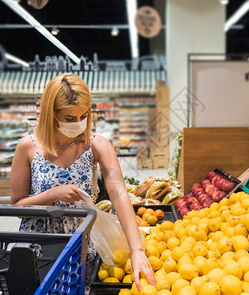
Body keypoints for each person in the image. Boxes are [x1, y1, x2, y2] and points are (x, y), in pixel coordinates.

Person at [10, 73, 155, 293]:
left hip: (81, 248)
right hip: (37, 250)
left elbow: (119, 194)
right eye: (69, 118)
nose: (78, 124)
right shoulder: (27, 148)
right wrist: (53, 194)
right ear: (51, 114)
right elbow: (17, 207)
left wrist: (136, 250)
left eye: (83, 116)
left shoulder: (98, 145)